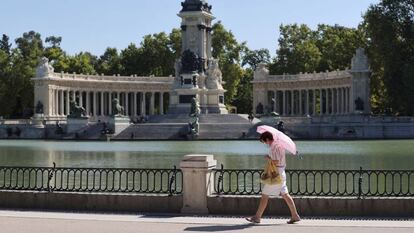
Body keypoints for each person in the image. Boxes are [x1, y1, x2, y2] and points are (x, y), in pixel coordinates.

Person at [246, 131, 300, 224]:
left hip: (275, 174)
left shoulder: (274, 147)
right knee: (285, 195)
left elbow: (276, 162)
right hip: (281, 172)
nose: (264, 143)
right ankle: (295, 215)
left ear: (267, 139)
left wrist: (268, 158)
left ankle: (257, 217)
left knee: (264, 195)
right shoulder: (280, 146)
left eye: (264, 141)